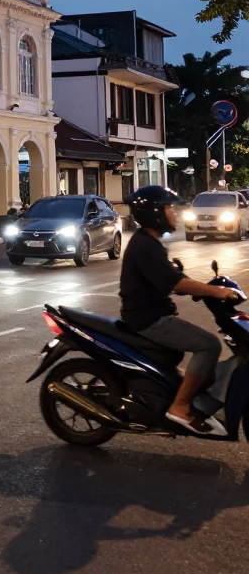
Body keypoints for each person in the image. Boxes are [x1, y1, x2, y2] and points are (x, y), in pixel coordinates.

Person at [120, 185, 238, 437]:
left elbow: (171, 277)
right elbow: (176, 283)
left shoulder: (150, 242)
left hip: (154, 313)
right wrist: (215, 292)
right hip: (149, 320)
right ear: (155, 214)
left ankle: (193, 393)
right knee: (208, 344)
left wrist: (202, 288)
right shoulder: (145, 246)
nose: (174, 214)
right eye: (169, 209)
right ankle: (180, 406)